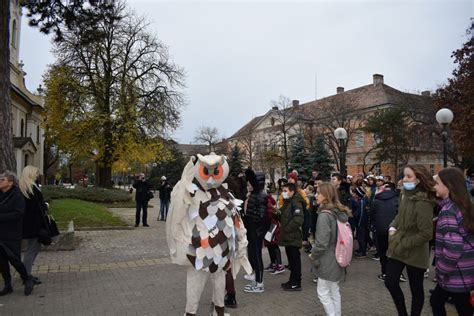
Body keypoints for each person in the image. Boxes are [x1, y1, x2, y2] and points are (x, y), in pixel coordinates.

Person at [385, 165, 436, 316]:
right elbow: (399, 216)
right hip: (399, 245)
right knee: (390, 281)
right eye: (404, 175)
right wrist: (392, 227)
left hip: (416, 249)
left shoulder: (423, 202)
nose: (404, 179)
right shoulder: (404, 194)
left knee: (416, 288)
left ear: (419, 180)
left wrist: (403, 244)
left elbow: (426, 234)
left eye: (409, 176)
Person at [430, 167, 474, 316]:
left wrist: (441, 269)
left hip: (454, 274)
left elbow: (453, 248)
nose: (434, 186)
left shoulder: (448, 211)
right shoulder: (464, 205)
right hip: (465, 270)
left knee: (458, 307)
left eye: (437, 183)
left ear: (448, 185)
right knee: (440, 302)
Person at [310, 182, 350, 316]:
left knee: (323, 292)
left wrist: (313, 255)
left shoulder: (324, 215)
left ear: (326, 195)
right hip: (338, 255)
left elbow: (321, 243)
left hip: (327, 258)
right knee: (334, 290)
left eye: (318, 193)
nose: (315, 195)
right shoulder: (338, 212)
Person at [0, 171, 34, 296]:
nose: (0, 182)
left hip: (12, 233)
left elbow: (18, 214)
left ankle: (27, 278)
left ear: (10, 182)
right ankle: (7, 285)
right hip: (0, 233)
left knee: (14, 259)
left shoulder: (17, 195)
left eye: (2, 180)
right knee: (2, 261)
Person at [19, 166, 48, 285]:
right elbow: (36, 206)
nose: (37, 175)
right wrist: (45, 206)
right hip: (34, 224)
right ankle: (27, 276)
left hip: (27, 224)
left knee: (31, 250)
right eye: (36, 173)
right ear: (31, 174)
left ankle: (27, 274)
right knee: (32, 250)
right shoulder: (32, 189)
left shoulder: (23, 188)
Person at [242, 169, 267, 293]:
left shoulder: (261, 196)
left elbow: (261, 217)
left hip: (256, 232)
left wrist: (256, 231)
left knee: (257, 257)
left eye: (251, 183)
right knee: (252, 254)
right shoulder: (253, 195)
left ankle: (259, 283)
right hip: (251, 231)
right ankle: (256, 278)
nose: (249, 186)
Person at [370, 183, 399, 281]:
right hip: (394, 230)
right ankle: (396, 273)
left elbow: (372, 215)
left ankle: (385, 273)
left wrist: (373, 226)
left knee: (382, 252)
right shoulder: (397, 200)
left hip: (380, 230)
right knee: (394, 252)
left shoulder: (376, 201)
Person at [279, 182, 305, 291]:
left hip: (293, 236)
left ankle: (296, 283)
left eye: (285, 191)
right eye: (282, 191)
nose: (283, 193)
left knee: (295, 260)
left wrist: (286, 229)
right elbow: (285, 215)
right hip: (288, 236)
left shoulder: (296, 202)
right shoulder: (288, 202)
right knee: (291, 260)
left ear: (292, 192)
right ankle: (292, 280)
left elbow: (298, 219)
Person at [263, 189, 284, 274]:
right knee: (269, 245)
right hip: (269, 225)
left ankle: (279, 265)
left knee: (273, 244)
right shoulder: (267, 200)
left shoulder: (266, 201)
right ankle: (274, 263)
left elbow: (270, 212)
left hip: (272, 225)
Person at [351, 186, 369, 258]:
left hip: (361, 223)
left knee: (361, 237)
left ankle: (363, 252)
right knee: (359, 237)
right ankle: (361, 249)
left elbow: (360, 213)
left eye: (355, 193)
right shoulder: (359, 200)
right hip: (359, 222)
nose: (353, 194)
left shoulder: (361, 202)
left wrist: (357, 222)